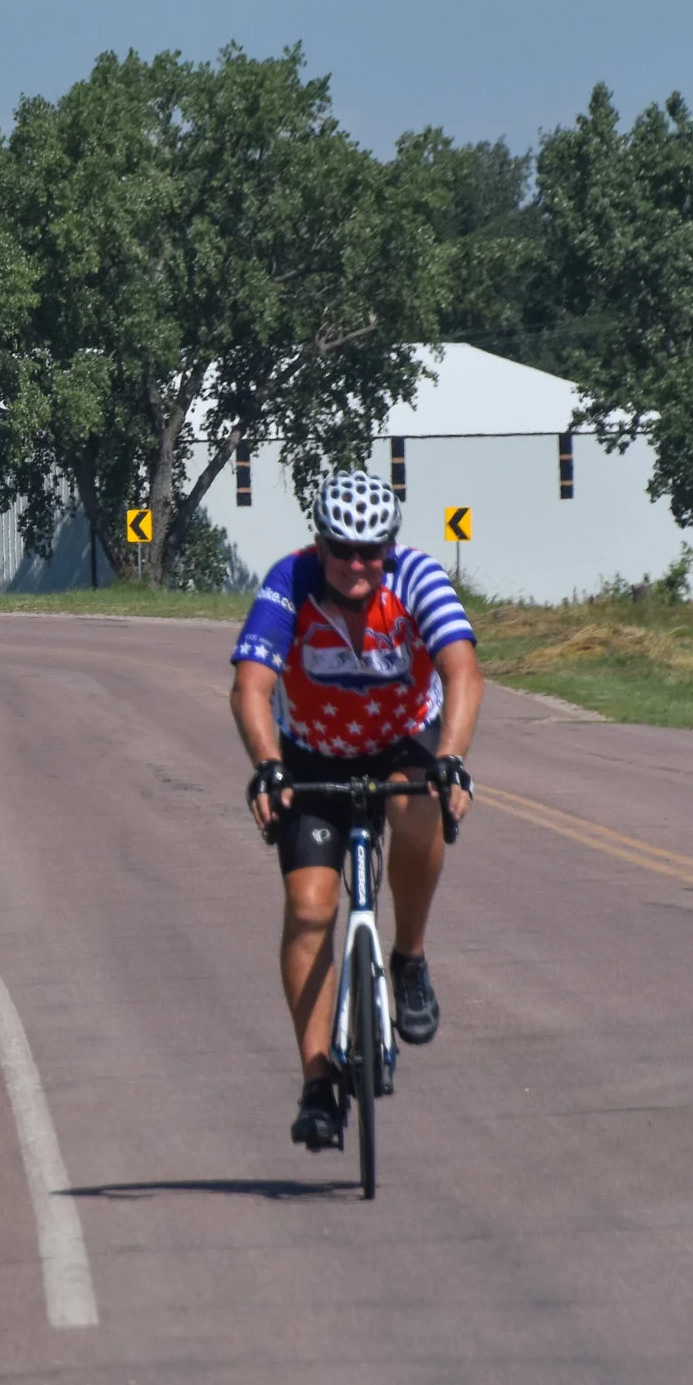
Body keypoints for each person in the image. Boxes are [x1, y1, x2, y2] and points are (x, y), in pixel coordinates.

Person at [228, 472, 482, 1152]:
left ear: (389, 547)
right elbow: (251, 685)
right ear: (321, 545)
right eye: (342, 549)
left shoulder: (418, 577)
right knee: (310, 907)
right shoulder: (291, 580)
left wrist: (451, 757)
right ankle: (317, 1082)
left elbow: (462, 670)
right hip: (314, 754)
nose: (356, 564)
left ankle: (409, 958)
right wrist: (268, 765)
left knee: (423, 807)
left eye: (371, 550)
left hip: (404, 741)